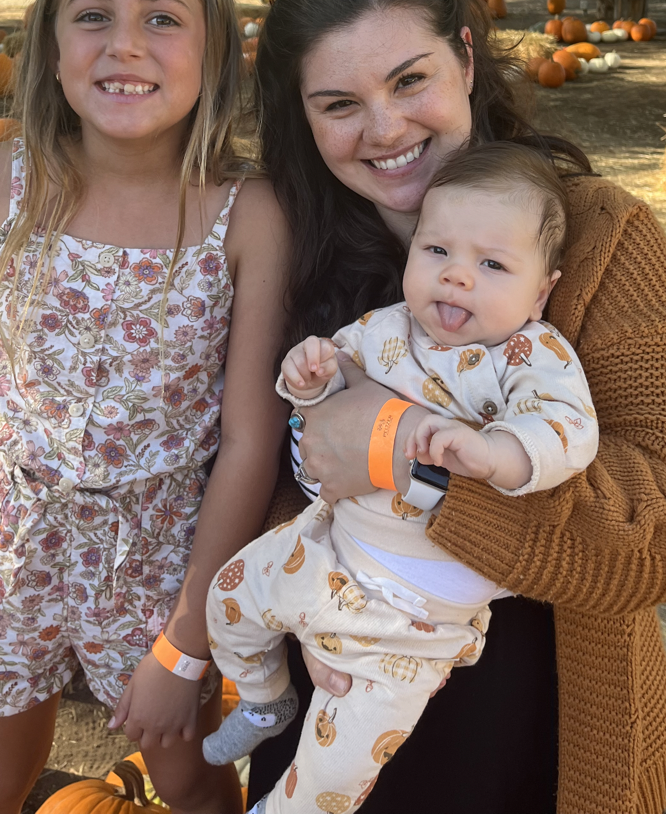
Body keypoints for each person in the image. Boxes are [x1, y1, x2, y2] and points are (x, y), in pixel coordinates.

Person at [247, 0, 666, 814]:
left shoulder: (597, 239)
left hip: (532, 732)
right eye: (340, 103)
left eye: (410, 80)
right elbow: (274, 466)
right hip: (338, 698)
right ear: (304, 118)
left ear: (467, 60)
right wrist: (316, 591)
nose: (386, 128)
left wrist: (416, 463)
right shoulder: (294, 248)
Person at [0, 0, 289, 814]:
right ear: (50, 44)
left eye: (162, 17)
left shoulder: (249, 216)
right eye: (92, 16)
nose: (125, 44)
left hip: (162, 565)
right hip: (6, 550)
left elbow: (249, 441)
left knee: (190, 781)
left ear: (216, 52)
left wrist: (184, 644)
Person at [203, 143, 597, 814]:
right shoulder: (387, 328)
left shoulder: (531, 355)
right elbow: (326, 406)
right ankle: (265, 699)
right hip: (326, 550)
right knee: (229, 597)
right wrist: (311, 378)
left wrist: (495, 455)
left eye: (492, 265)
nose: (457, 276)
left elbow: (568, 431)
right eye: (437, 250)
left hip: (415, 620)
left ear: (541, 292)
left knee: (341, 758)